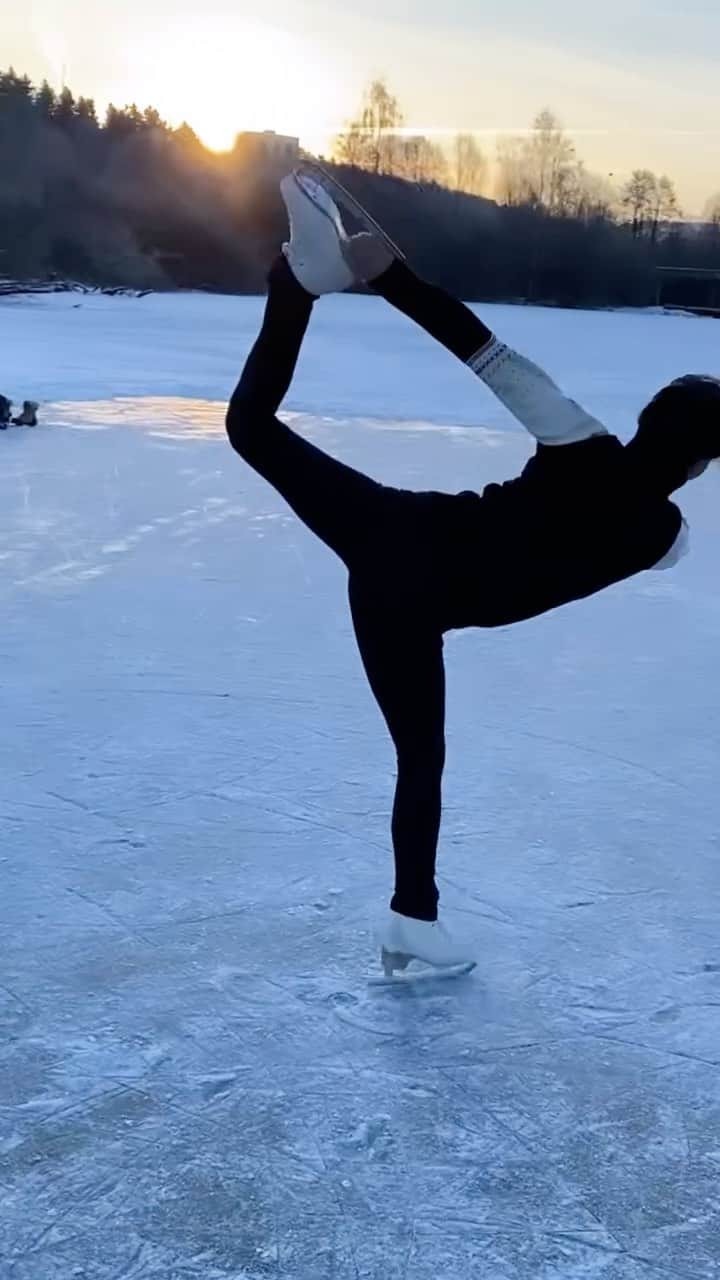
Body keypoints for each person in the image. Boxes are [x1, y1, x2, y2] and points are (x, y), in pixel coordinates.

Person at [225, 169, 719, 977]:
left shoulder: (584, 446)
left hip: (391, 536)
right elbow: (665, 539)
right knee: (420, 762)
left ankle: (297, 286)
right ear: (699, 464)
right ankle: (411, 920)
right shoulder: (660, 535)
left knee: (250, 427)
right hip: (411, 603)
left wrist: (393, 280)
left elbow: (488, 355)